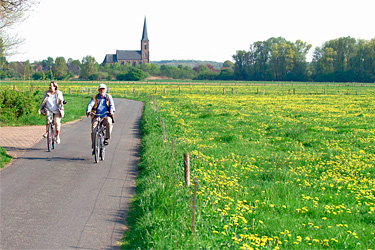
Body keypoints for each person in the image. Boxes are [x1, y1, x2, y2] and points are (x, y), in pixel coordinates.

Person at [86, 84, 115, 154]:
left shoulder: (108, 97)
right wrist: (88, 110)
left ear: (105, 90)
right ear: (98, 90)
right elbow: (90, 104)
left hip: (105, 115)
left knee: (109, 122)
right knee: (94, 129)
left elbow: (112, 105)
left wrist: (111, 111)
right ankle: (94, 147)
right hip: (96, 116)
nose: (102, 90)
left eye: (103, 89)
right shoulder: (95, 97)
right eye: (100, 89)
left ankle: (106, 138)